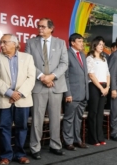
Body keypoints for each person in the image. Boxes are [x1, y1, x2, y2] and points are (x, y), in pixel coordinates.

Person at [25, 18, 68, 158]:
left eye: (43, 27)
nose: (40, 29)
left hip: (56, 86)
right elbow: (29, 63)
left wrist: (52, 76)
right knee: (37, 119)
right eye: (38, 26)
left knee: (56, 118)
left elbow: (64, 63)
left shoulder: (60, 43)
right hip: (39, 85)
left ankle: (55, 145)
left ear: (51, 28)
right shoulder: (31, 43)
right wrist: (43, 77)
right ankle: (35, 148)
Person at [0, 34, 35, 165]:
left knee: (22, 127)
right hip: (4, 99)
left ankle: (20, 154)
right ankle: (6, 156)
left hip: (23, 99)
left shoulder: (27, 58)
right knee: (4, 128)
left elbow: (31, 78)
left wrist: (19, 93)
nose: (1, 45)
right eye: (1, 42)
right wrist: (10, 93)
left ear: (14, 44)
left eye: (4, 42)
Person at [63, 33, 89, 150]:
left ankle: (77, 140)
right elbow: (65, 76)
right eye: (79, 41)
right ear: (72, 42)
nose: (82, 44)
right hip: (72, 94)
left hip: (83, 94)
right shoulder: (66, 54)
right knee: (69, 119)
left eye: (82, 42)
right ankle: (68, 142)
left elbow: (84, 75)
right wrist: (67, 93)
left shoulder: (82, 55)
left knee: (78, 119)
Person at [86, 36, 110, 145]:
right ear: (95, 45)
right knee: (93, 113)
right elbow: (91, 75)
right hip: (94, 86)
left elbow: (107, 74)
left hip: (104, 86)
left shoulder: (104, 58)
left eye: (103, 44)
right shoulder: (90, 58)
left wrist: (107, 87)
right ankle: (92, 138)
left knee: (100, 113)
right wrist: (101, 88)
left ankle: (100, 137)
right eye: (100, 44)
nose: (102, 46)